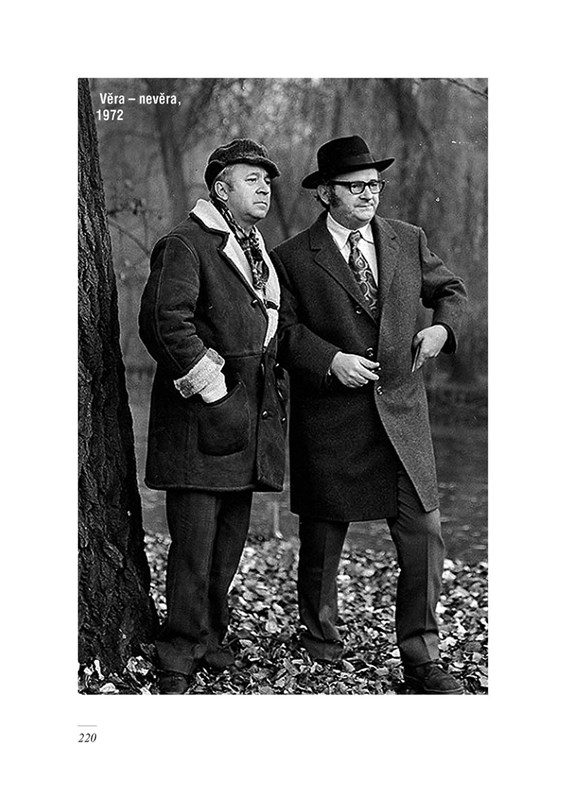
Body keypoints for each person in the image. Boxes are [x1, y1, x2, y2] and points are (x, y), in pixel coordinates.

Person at [270, 135, 468, 694]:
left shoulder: (408, 238)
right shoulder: (291, 258)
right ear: (325, 193)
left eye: (374, 185)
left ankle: (422, 659)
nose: (368, 195)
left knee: (424, 534)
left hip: (401, 417)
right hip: (330, 420)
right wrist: (329, 360)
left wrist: (442, 328)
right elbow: (281, 331)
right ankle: (319, 645)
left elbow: (450, 290)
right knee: (322, 540)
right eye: (355, 187)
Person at [139, 139, 287, 694]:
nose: (265, 188)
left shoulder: (255, 248)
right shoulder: (186, 242)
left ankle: (209, 639)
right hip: (200, 421)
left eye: (267, 180)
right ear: (221, 188)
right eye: (252, 179)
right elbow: (163, 323)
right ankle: (177, 655)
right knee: (193, 547)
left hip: (249, 422)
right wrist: (215, 391)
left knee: (227, 545)